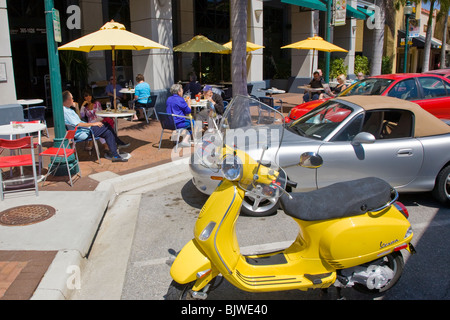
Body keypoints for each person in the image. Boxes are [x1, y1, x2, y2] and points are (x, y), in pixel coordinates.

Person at [62, 90, 129, 162]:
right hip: (83, 132)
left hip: (85, 129)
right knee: (106, 126)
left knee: (108, 132)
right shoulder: (66, 111)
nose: (73, 100)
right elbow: (78, 124)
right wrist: (93, 124)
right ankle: (118, 144)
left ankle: (115, 155)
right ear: (68, 100)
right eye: (72, 98)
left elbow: (79, 120)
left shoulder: (68, 109)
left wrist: (76, 108)